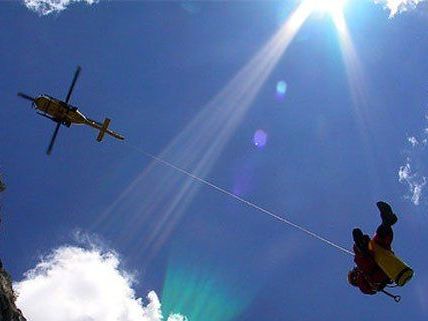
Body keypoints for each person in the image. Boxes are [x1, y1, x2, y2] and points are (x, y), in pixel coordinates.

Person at [347, 201, 398, 295]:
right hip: (378, 269)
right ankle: (362, 247)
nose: (355, 270)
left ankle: (386, 223)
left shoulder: (363, 272)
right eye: (354, 273)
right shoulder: (363, 282)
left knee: (378, 243)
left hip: (381, 260)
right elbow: (369, 290)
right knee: (363, 258)